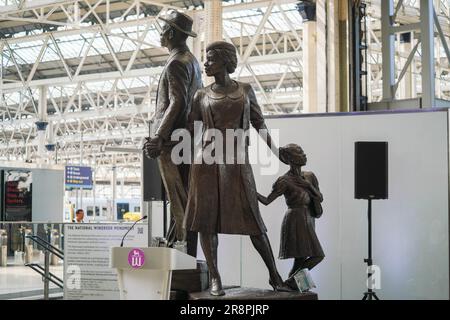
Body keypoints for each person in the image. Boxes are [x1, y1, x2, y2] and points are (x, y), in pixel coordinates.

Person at [183, 41, 292, 296]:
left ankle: (275, 276)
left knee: (254, 221)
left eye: (210, 59)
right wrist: (163, 141)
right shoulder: (200, 95)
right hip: (206, 162)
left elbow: (259, 122)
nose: (206, 63)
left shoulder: (245, 90)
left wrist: (277, 152)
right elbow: (188, 130)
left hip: (236, 163)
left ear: (225, 61)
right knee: (206, 221)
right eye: (206, 59)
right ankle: (215, 278)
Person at [143, 10, 202, 257]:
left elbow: (176, 102)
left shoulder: (177, 62)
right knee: (183, 200)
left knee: (179, 201)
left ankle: (183, 257)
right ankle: (179, 250)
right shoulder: (191, 61)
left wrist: (159, 135)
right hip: (185, 139)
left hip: (173, 141)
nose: (159, 34)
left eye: (163, 29)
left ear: (171, 33)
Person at [258, 144, 324, 289]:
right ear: (290, 159)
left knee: (300, 259)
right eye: (299, 153)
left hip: (308, 218)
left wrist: (307, 185)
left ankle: (296, 288)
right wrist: (251, 191)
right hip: (295, 220)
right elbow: (267, 200)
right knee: (318, 255)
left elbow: (319, 197)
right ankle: (290, 283)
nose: (304, 155)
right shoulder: (284, 181)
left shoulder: (310, 176)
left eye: (303, 151)